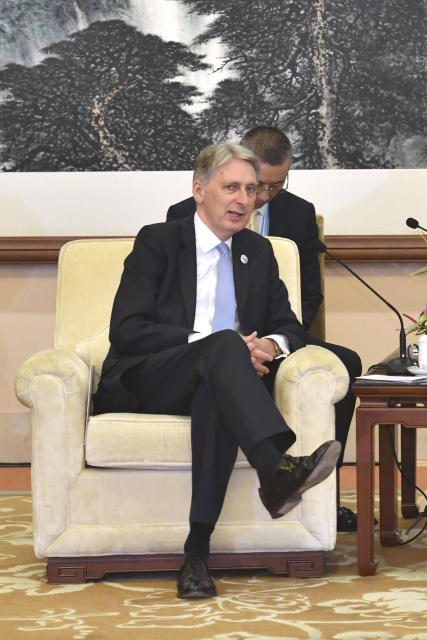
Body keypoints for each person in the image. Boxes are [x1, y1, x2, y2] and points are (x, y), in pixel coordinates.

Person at [95, 142, 342, 599]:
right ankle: (277, 466)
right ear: (199, 190)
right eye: (231, 187)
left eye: (251, 189)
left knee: (217, 387)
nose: (244, 199)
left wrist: (269, 344)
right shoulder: (158, 241)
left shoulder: (259, 251)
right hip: (150, 377)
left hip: (222, 380)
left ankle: (196, 555)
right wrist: (215, 346)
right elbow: (127, 330)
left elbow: (291, 325)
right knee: (224, 346)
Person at [167, 127, 362, 533]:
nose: (261, 197)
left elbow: (309, 295)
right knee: (221, 357)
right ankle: (277, 473)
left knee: (344, 362)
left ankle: (323, 490)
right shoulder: (181, 218)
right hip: (202, 346)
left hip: (265, 339)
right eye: (255, 185)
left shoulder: (297, 214)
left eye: (273, 186)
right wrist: (234, 351)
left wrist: (272, 345)